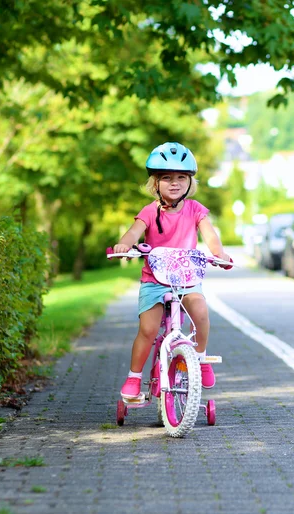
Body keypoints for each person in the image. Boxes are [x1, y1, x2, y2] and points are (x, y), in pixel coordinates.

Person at [113, 142, 231, 399]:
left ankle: (199, 357)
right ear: (155, 183)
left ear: (190, 182)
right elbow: (134, 231)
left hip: (186, 277)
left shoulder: (195, 209)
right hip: (154, 279)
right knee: (148, 328)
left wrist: (219, 254)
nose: (174, 183)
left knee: (200, 311)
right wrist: (125, 243)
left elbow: (210, 235)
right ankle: (134, 377)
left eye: (181, 177)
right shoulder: (149, 211)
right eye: (166, 177)